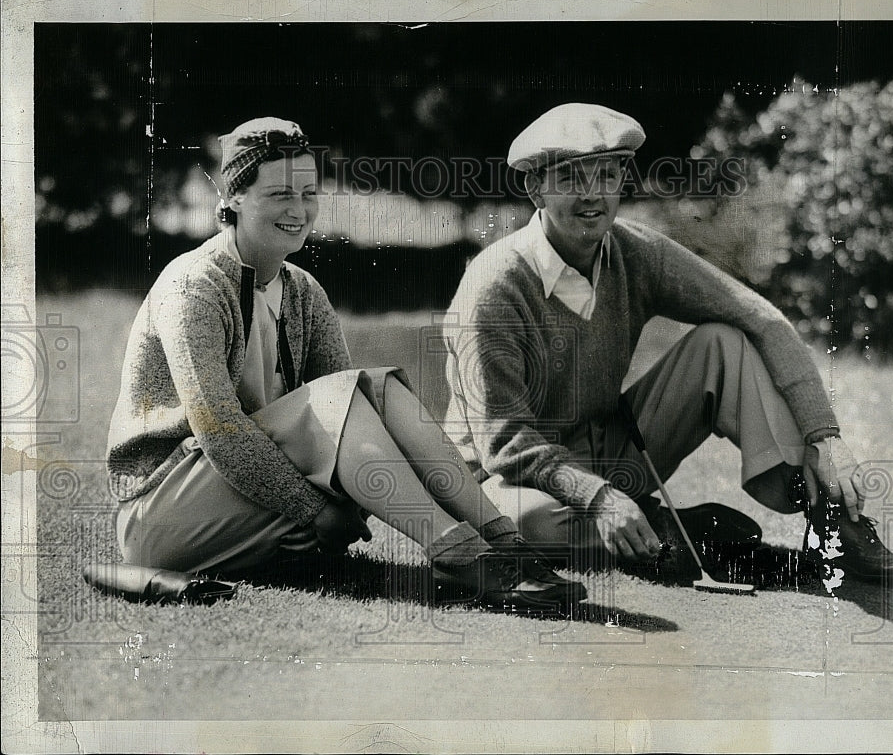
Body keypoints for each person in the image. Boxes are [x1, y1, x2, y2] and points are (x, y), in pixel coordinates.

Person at [106, 116, 587, 611]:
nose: (299, 210)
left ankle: (503, 543)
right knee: (346, 394)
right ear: (232, 199)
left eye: (309, 193)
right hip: (162, 517)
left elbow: (353, 413)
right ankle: (461, 555)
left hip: (253, 493)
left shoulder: (303, 290)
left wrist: (331, 508)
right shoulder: (195, 287)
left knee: (376, 389)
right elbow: (220, 431)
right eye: (279, 195)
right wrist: (314, 511)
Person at [440, 102, 893, 584]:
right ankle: (675, 529)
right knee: (529, 524)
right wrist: (599, 497)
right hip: (502, 477)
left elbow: (762, 319)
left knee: (723, 344)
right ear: (534, 188)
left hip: (606, 447)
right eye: (569, 179)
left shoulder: (634, 251)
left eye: (606, 177)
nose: (593, 196)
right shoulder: (494, 286)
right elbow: (506, 444)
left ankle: (833, 522)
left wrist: (825, 436)